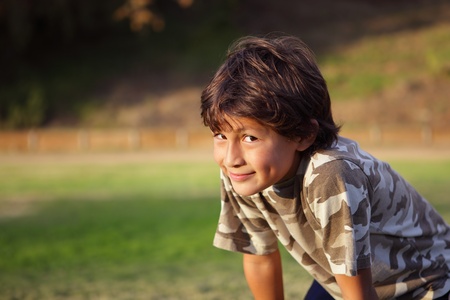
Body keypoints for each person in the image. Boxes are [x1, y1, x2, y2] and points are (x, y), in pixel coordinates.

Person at [200, 34, 450, 300]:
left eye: (251, 137)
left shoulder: (331, 174)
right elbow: (260, 258)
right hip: (347, 282)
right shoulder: (242, 171)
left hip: (428, 285)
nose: (230, 157)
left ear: (303, 134)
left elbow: (358, 291)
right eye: (220, 135)